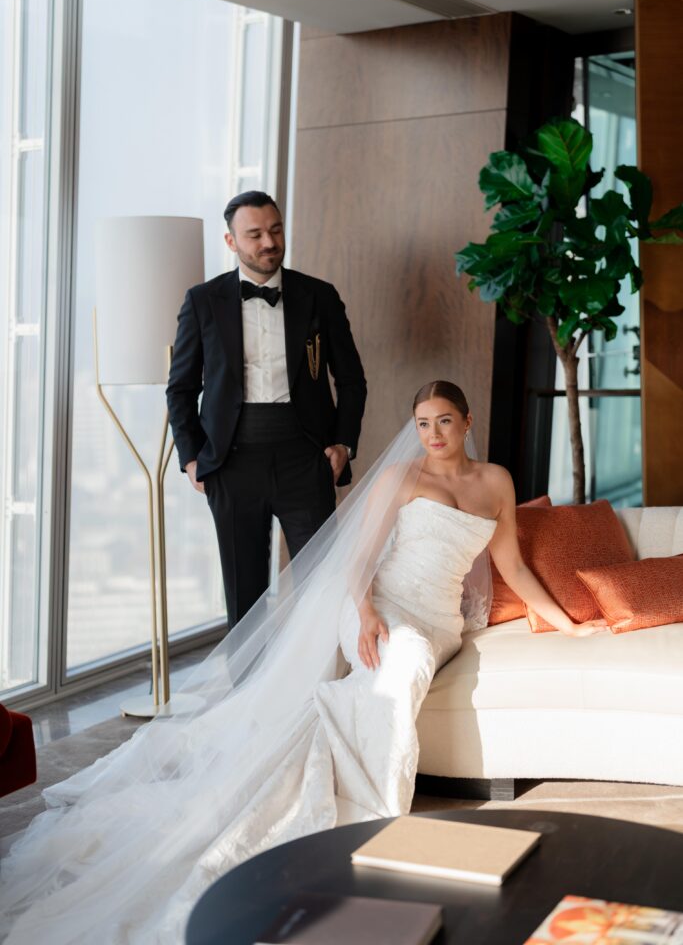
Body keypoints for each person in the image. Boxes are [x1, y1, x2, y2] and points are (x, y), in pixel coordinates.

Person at [0, 381, 606, 944]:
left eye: (445, 421)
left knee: (416, 655)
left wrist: (572, 625)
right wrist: (367, 616)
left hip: (439, 619)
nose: (434, 434)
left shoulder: (496, 482)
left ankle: (345, 762)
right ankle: (380, 814)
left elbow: (515, 569)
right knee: (404, 665)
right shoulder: (401, 476)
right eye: (422, 423)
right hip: (377, 604)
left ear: (467, 421)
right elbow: (358, 557)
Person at [166, 190, 367, 627]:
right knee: (245, 599)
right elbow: (180, 388)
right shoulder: (202, 302)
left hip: (305, 458)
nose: (268, 242)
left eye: (275, 230)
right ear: (231, 241)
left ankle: (318, 692)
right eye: (254, 234)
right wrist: (191, 459)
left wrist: (343, 445)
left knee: (322, 586)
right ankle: (250, 695)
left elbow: (351, 380)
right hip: (231, 463)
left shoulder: (320, 296)